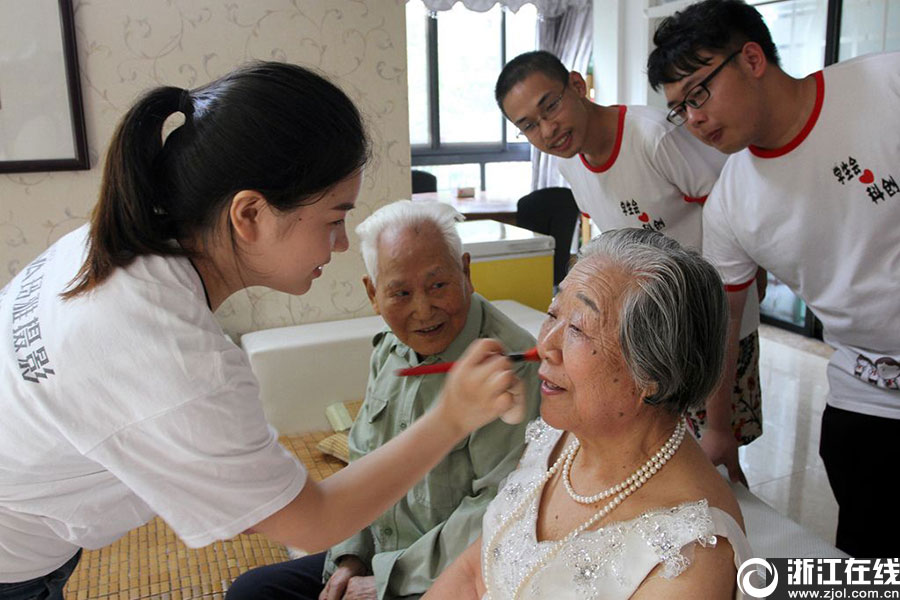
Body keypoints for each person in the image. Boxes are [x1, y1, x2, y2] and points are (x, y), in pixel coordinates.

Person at [0, 62, 525, 598]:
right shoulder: (173, 356)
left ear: (464, 272)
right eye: (333, 219)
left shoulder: (107, 243)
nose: (340, 244)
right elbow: (314, 519)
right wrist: (451, 417)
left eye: (437, 285)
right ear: (250, 214)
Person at [647, 0, 900, 557]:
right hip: (870, 396)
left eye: (699, 93)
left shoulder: (884, 86)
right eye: (679, 108)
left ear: (753, 58)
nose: (693, 118)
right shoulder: (733, 201)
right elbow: (725, 323)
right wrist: (719, 430)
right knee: (868, 568)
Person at [227, 201, 541, 600]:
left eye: (438, 285)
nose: (423, 309)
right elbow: (364, 454)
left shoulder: (509, 365)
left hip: (449, 575)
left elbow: (497, 510)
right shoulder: (390, 348)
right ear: (373, 294)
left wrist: (386, 579)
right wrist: (350, 558)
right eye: (401, 293)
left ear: (465, 272)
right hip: (381, 549)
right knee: (253, 592)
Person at [425, 228, 752, 600]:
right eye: (553, 312)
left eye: (578, 329)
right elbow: (474, 574)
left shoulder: (688, 557)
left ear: (653, 377)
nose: (545, 344)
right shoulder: (558, 439)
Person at [496, 50, 764, 483]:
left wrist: (753, 282)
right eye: (528, 125)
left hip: (715, 322)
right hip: (648, 333)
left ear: (578, 87)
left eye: (551, 106)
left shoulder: (653, 136)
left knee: (713, 458)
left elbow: (735, 209)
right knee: (657, 457)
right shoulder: (570, 161)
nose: (547, 129)